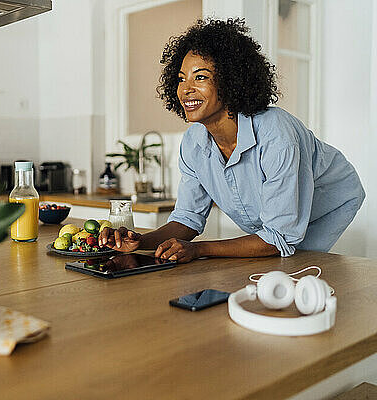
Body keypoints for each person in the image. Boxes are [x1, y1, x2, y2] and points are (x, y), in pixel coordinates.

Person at [99, 18, 365, 262]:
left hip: (330, 202)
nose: (186, 88)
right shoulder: (193, 143)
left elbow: (277, 238)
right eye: (181, 79)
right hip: (274, 226)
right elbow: (187, 218)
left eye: (200, 77)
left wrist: (199, 249)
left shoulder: (276, 133)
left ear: (229, 81)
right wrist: (140, 241)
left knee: (294, 269)